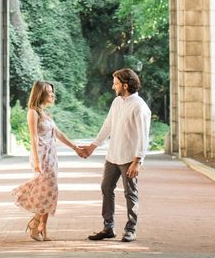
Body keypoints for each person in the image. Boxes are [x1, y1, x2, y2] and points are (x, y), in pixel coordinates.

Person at [80, 68, 151, 243]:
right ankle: (108, 227)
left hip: (129, 158)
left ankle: (130, 229)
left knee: (130, 193)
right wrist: (92, 146)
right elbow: (107, 125)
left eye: (116, 83)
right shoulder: (117, 102)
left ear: (125, 85)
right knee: (106, 188)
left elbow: (143, 135)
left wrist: (138, 160)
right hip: (112, 156)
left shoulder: (139, 106)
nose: (113, 86)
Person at [12, 80, 84, 241]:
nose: (52, 95)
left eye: (53, 92)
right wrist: (37, 161)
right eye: (49, 92)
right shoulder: (33, 112)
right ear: (41, 94)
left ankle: (42, 227)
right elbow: (33, 137)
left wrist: (75, 148)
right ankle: (35, 223)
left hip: (52, 157)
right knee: (46, 191)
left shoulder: (45, 114)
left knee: (50, 191)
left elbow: (58, 134)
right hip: (41, 156)